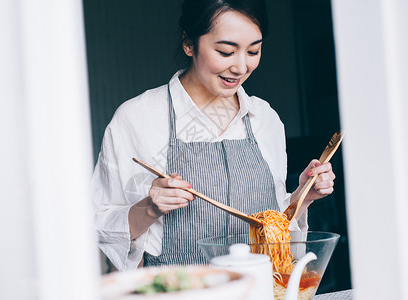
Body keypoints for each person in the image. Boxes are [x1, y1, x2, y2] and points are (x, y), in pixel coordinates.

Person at [92, 0, 336, 271]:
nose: (241, 67)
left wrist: (302, 197)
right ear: (188, 43)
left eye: (253, 51)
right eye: (226, 51)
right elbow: (102, 227)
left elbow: (275, 226)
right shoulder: (138, 119)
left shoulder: (264, 119)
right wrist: (150, 208)